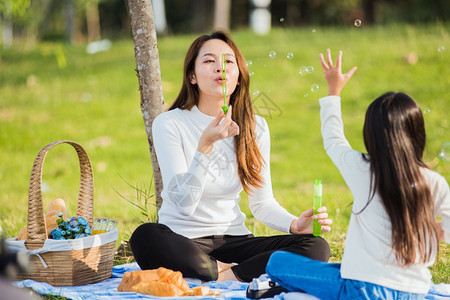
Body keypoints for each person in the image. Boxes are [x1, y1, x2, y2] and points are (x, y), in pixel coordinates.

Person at [129, 31, 332, 283]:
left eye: (228, 61)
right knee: (145, 236)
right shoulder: (170, 123)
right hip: (184, 241)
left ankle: (226, 275)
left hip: (235, 241)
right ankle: (231, 271)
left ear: (238, 77)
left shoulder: (255, 126)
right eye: (208, 61)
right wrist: (205, 145)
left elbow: (262, 203)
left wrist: (294, 225)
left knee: (317, 247)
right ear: (192, 76)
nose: (220, 68)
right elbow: (184, 204)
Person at [266, 49, 450, 299]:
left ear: (370, 134)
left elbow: (333, 140)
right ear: (417, 133)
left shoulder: (364, 168)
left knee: (277, 262)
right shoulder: (435, 182)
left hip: (361, 290)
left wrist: (334, 90)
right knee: (335, 270)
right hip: (414, 293)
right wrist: (436, 230)